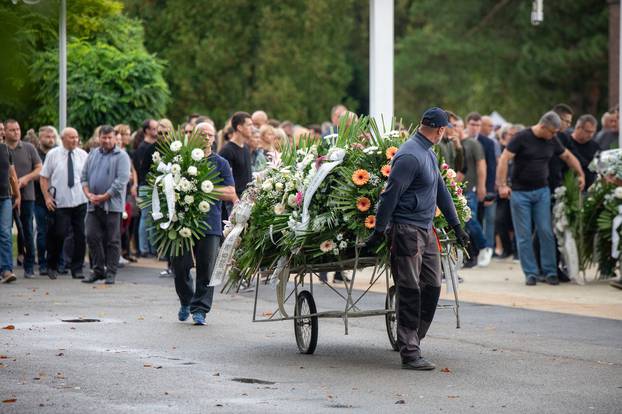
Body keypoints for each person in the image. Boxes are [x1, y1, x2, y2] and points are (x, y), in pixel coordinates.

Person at [365, 107, 469, 371]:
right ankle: (410, 352)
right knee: (410, 290)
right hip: (407, 230)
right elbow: (390, 194)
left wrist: (457, 226)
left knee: (433, 286)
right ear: (439, 130)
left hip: (426, 228)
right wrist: (379, 230)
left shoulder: (428, 153)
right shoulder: (410, 155)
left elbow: (441, 191)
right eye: (445, 131)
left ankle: (412, 339)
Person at [497, 111, 585, 286]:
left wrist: (580, 173)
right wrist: (502, 185)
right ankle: (531, 273)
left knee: (546, 231)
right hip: (520, 193)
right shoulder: (522, 137)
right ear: (543, 126)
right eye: (552, 132)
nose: (554, 136)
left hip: (541, 192)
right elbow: (504, 158)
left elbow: (567, 156)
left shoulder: (551, 139)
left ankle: (550, 271)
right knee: (523, 235)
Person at [174, 122, 237, 325]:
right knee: (180, 265)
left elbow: (230, 192)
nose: (207, 138)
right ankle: (186, 299)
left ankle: (200, 309)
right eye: (203, 134)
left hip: (210, 222)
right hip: (183, 221)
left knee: (206, 267)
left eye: (210, 135)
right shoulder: (181, 160)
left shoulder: (221, 163)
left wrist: (204, 188)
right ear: (193, 136)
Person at [81, 125, 131, 284]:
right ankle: (98, 270)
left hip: (112, 206)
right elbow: (83, 176)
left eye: (110, 137)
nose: (107, 140)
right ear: (99, 138)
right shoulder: (93, 154)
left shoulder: (122, 156)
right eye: (104, 137)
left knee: (112, 240)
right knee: (91, 235)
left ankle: (111, 272)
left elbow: (121, 181)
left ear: (115, 138)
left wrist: (103, 197)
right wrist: (89, 194)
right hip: (93, 204)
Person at [39, 127, 88, 280]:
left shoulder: (83, 155)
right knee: (58, 234)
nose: (75, 140)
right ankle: (52, 265)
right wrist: (47, 197)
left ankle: (77, 268)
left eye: (76, 137)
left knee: (80, 236)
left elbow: (88, 176)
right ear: (63, 138)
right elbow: (43, 177)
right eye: (71, 137)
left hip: (80, 201)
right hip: (60, 202)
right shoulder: (53, 155)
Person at [5, 119, 42, 279]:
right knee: (4, 232)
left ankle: (29, 267)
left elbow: (39, 168)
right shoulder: (2, 149)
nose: (16, 132)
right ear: (5, 132)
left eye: (18, 129)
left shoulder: (29, 147)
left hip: (27, 196)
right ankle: (6, 267)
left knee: (26, 230)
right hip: (5, 196)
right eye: (12, 130)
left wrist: (26, 178)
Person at [459, 114, 487, 268]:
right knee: (463, 224)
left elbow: (481, 166)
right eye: (472, 124)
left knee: (470, 220)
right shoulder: (458, 142)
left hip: (470, 188)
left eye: (478, 125)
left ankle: (483, 246)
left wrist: (482, 186)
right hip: (457, 188)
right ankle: (470, 256)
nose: (475, 127)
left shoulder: (474, 144)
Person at [33, 126, 58, 276]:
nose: (50, 139)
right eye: (47, 137)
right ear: (40, 138)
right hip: (39, 199)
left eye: (52, 137)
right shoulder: (35, 153)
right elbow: (37, 174)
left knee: (58, 231)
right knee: (42, 232)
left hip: (58, 198)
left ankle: (57, 262)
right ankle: (42, 263)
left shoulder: (58, 153)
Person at [132, 119, 159, 257]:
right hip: (146, 186)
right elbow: (140, 168)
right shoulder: (143, 148)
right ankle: (144, 249)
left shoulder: (152, 146)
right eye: (154, 128)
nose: (156, 131)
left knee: (151, 218)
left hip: (150, 186)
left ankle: (151, 248)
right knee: (145, 217)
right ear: (147, 130)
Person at [219, 111, 253, 200]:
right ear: (239, 127)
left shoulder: (245, 148)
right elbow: (225, 181)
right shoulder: (227, 151)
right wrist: (235, 200)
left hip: (246, 199)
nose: (252, 128)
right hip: (233, 202)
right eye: (249, 125)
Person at [0, 139, 20, 283]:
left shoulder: (6, 150)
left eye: (2, 129)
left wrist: (17, 195)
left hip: (5, 197)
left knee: (6, 233)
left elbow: (12, 174)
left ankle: (6, 270)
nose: (1, 132)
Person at [563, 115, 600, 189]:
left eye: (593, 132)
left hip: (588, 188)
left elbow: (598, 167)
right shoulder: (565, 141)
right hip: (567, 186)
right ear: (578, 128)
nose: (591, 135)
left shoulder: (595, 146)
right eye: (588, 131)